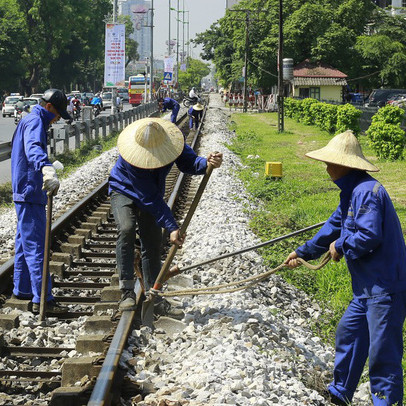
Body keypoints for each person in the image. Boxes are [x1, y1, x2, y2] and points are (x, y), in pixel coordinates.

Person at [284, 130, 406, 406]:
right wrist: (301, 252)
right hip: (366, 288)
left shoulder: (367, 193)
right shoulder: (350, 193)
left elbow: (369, 234)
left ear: (346, 165)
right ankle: (340, 393)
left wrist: (341, 246)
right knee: (348, 334)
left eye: (330, 162)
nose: (326, 168)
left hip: (385, 288)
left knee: (382, 353)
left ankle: (386, 402)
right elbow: (330, 230)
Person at [108, 117, 223, 313]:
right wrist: (172, 226)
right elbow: (149, 197)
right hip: (124, 189)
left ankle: (155, 296)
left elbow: (189, 161)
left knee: (152, 240)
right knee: (126, 228)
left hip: (149, 192)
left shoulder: (171, 143)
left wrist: (206, 163)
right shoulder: (131, 158)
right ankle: (127, 291)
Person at [11, 89, 72, 314]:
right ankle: (43, 298)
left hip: (24, 190)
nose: (57, 118)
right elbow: (33, 148)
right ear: (49, 108)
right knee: (36, 244)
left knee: (23, 241)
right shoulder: (36, 121)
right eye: (57, 114)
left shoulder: (29, 118)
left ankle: (23, 288)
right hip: (30, 191)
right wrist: (45, 168)